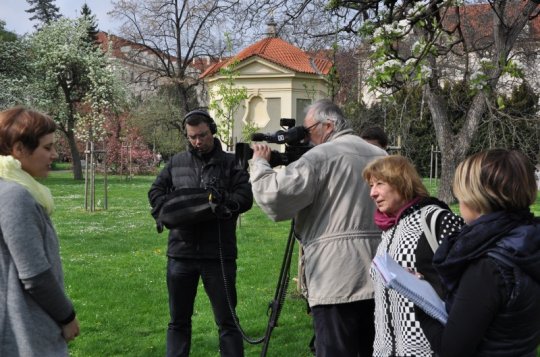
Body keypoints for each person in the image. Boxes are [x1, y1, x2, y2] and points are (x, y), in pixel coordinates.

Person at [250, 99, 387, 357]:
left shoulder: (321, 157)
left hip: (335, 279)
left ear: (328, 125)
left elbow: (275, 198)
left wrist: (259, 164)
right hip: (381, 275)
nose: (306, 137)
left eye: (308, 129)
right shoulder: (383, 157)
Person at [148, 109, 253, 357]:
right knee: (178, 321)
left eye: (202, 135)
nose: (197, 142)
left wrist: (219, 205)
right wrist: (176, 208)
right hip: (180, 254)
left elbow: (245, 198)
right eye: (192, 137)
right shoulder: (176, 163)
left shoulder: (230, 163)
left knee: (227, 321)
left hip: (218, 254)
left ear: (212, 131)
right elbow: (155, 193)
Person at [418, 149, 540, 357]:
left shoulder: (487, 267)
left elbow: (452, 350)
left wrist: (419, 302)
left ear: (477, 199)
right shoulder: (528, 241)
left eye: (461, 194)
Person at [362, 155, 464, 356]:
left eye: (380, 184)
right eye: (371, 185)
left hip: (427, 347)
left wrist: (422, 284)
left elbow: (466, 281)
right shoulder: (390, 228)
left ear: (402, 183)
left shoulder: (435, 219)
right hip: (385, 349)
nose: (372, 193)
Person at [0, 107, 80, 356]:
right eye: (47, 148)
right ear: (19, 149)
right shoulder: (14, 196)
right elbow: (34, 274)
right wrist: (67, 316)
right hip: (24, 331)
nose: (54, 155)